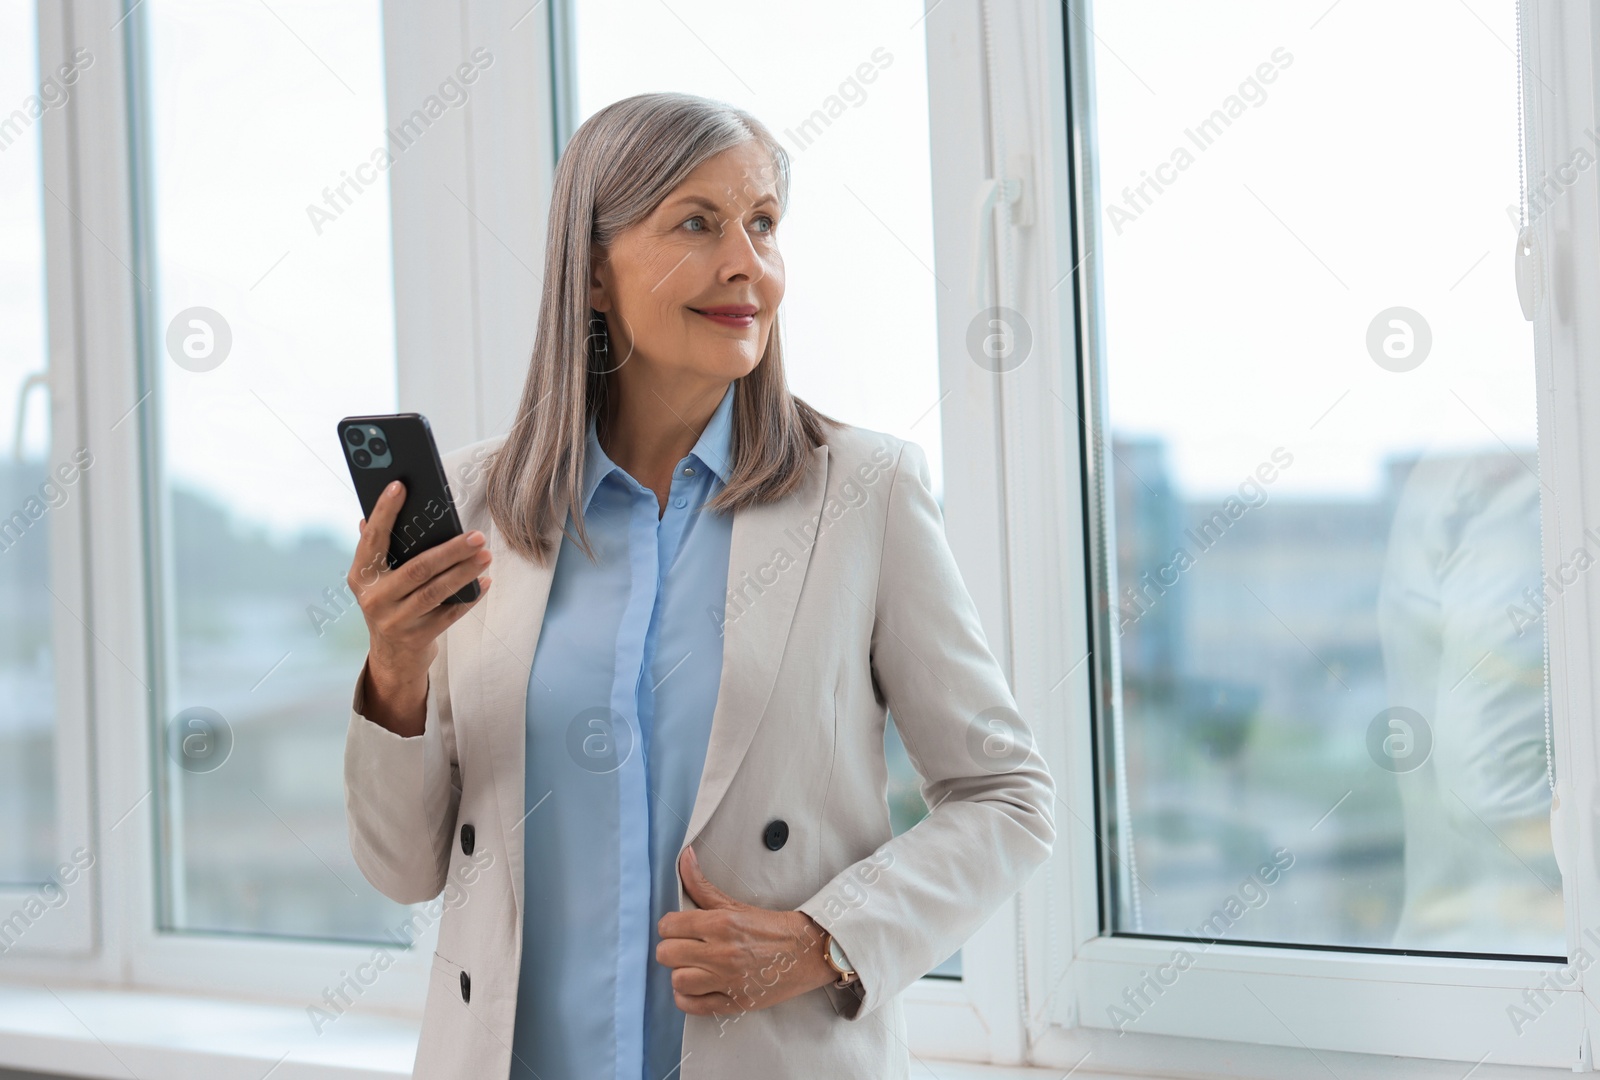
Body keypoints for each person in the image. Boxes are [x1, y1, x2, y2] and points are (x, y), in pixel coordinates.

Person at [342, 91, 1055, 1080]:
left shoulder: (864, 494)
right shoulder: (476, 504)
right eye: (697, 222)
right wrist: (395, 672)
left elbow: (1006, 797)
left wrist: (824, 939)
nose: (746, 265)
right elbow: (402, 868)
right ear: (592, 269)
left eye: (762, 224)